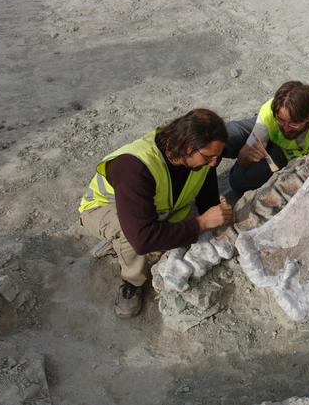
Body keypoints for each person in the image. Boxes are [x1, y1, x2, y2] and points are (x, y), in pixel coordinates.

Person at [78, 108, 233, 319]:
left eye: (217, 156)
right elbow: (143, 239)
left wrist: (218, 219)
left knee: (179, 233)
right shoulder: (134, 166)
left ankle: (129, 243)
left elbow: (208, 201)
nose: (214, 162)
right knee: (133, 238)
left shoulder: (202, 159)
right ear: (188, 147)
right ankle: (132, 282)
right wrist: (201, 223)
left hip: (158, 209)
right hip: (103, 207)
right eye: (209, 157)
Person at [226, 80, 309, 196]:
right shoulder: (269, 112)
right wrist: (245, 156)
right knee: (225, 134)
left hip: (286, 155)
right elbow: (248, 150)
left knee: (238, 182)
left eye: (294, 124)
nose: (286, 128)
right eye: (280, 120)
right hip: (270, 135)